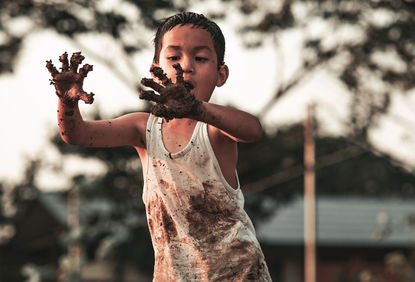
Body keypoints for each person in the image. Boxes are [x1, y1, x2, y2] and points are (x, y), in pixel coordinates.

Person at [46, 11, 271, 282]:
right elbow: (78, 134)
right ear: (155, 68)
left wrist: (197, 109)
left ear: (220, 74)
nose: (186, 66)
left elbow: (252, 130)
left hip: (239, 273)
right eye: (174, 57)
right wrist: (67, 102)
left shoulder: (213, 130)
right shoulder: (143, 129)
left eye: (200, 58)